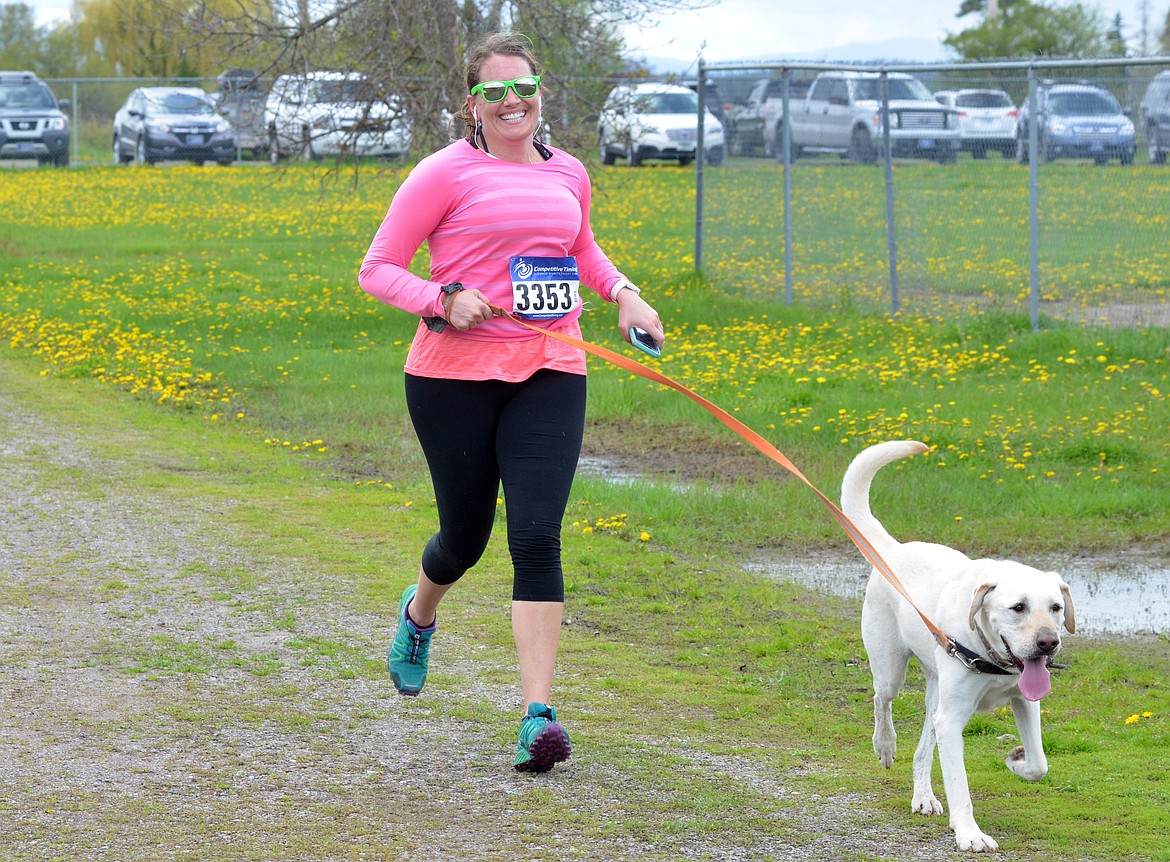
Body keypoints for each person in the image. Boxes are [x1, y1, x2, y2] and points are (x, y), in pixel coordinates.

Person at [357, 32, 665, 773]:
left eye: (522, 87)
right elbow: (378, 269)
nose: (511, 102)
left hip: (552, 366)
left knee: (536, 535)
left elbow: (580, 251)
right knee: (464, 540)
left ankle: (537, 716)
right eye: (494, 92)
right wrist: (443, 300)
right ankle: (418, 613)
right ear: (473, 103)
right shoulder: (443, 174)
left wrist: (623, 294)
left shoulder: (569, 174)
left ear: (539, 91)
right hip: (451, 379)